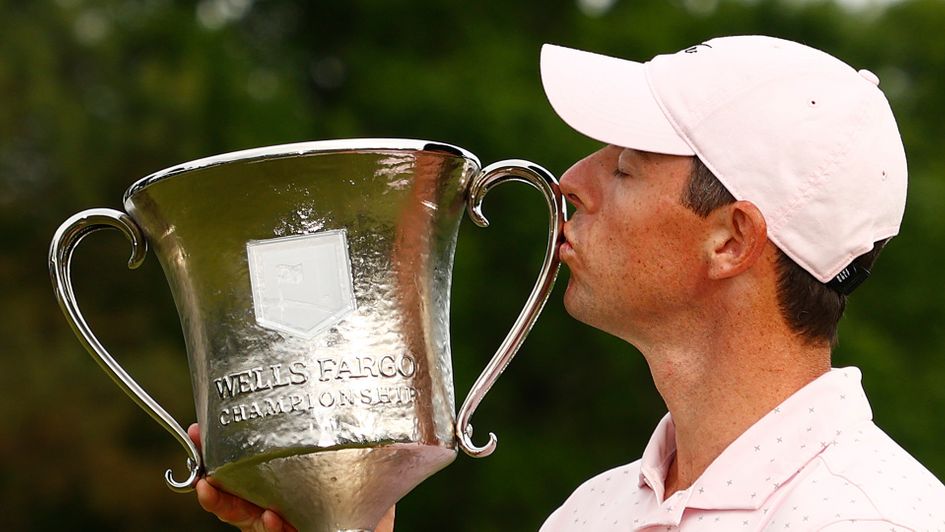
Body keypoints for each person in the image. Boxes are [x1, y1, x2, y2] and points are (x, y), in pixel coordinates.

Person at [193, 35, 945, 531]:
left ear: (730, 240)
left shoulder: (873, 518)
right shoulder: (593, 512)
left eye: (624, 167)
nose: (571, 181)